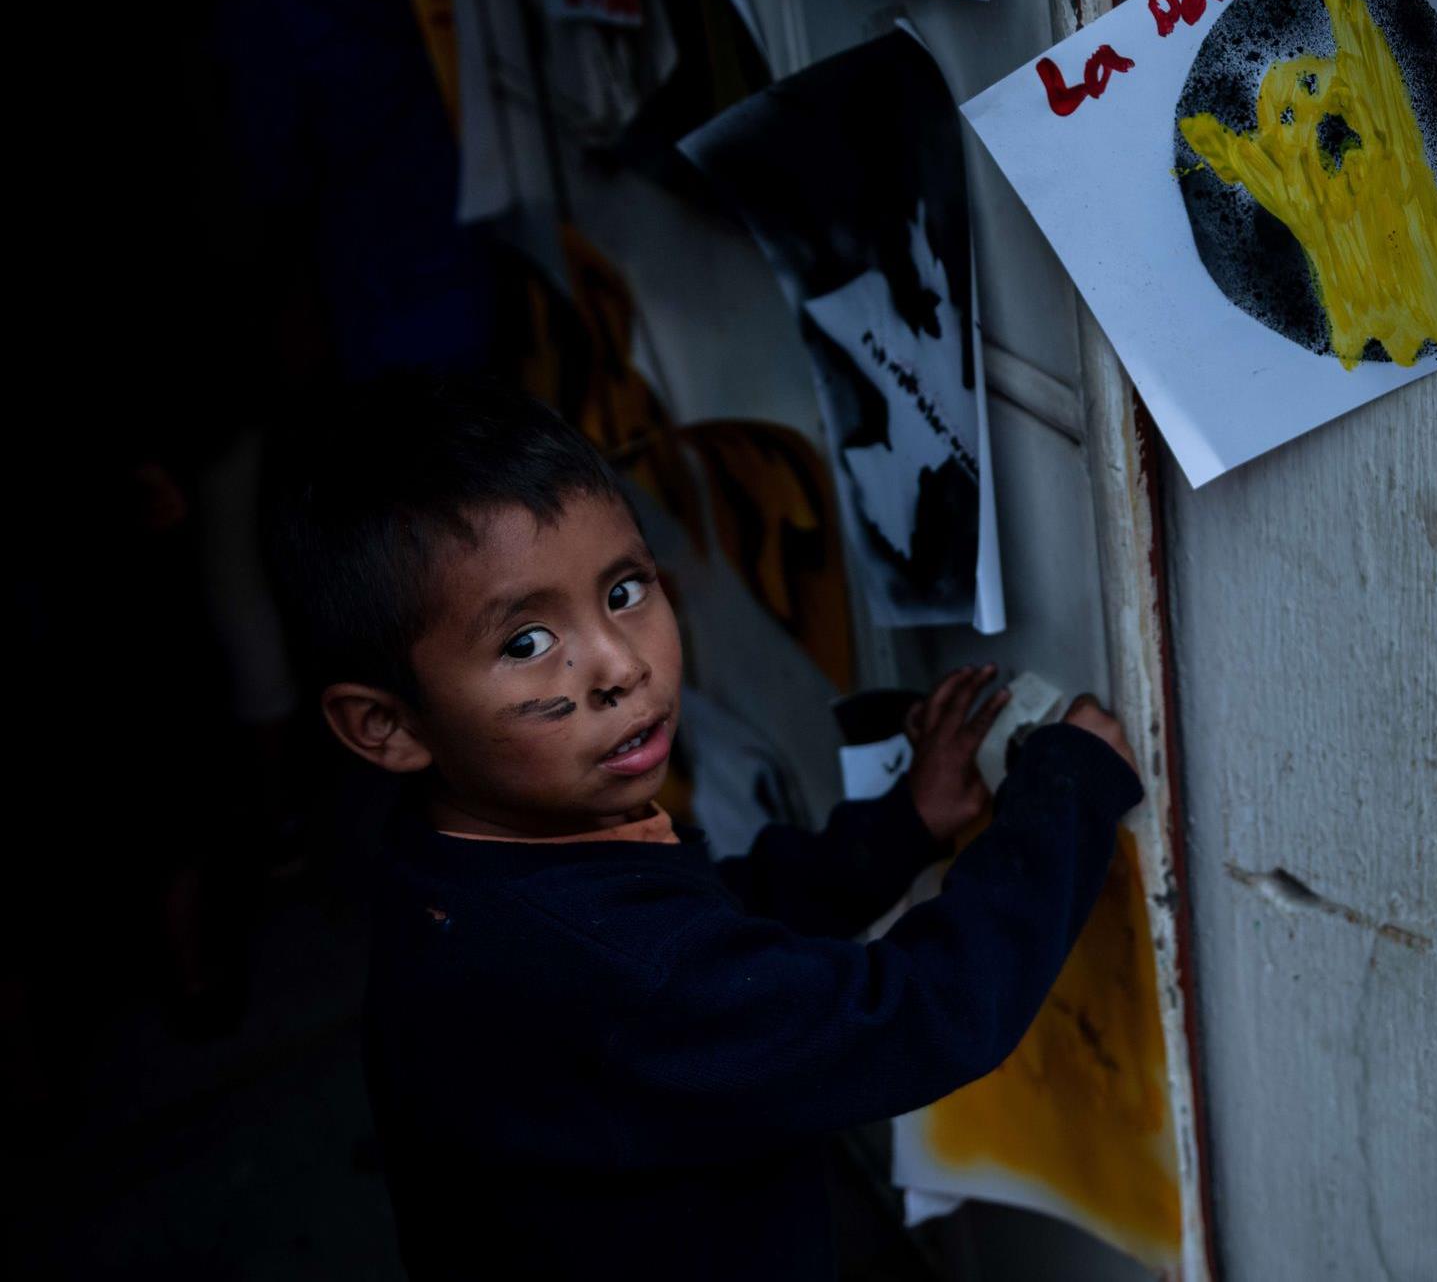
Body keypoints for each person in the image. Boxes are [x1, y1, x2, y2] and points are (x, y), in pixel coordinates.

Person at [263, 374, 1140, 1279]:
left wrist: (902, 826)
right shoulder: (606, 966)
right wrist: (1065, 795)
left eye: (625, 589)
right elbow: (915, 1017)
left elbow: (714, 924)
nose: (617, 666)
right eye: (526, 644)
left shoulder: (463, 861)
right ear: (389, 726)